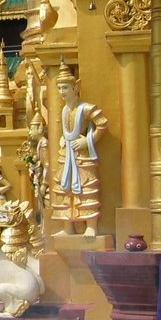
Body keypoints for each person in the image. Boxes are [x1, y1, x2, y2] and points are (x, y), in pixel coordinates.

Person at [50, 62, 107, 236]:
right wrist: (62, 137)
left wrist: (87, 141)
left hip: (82, 155)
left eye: (65, 87)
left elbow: (102, 125)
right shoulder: (64, 110)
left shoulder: (86, 108)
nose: (62, 92)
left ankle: (91, 226)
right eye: (59, 88)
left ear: (76, 87)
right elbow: (66, 130)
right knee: (64, 189)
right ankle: (67, 227)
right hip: (66, 154)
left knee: (86, 189)